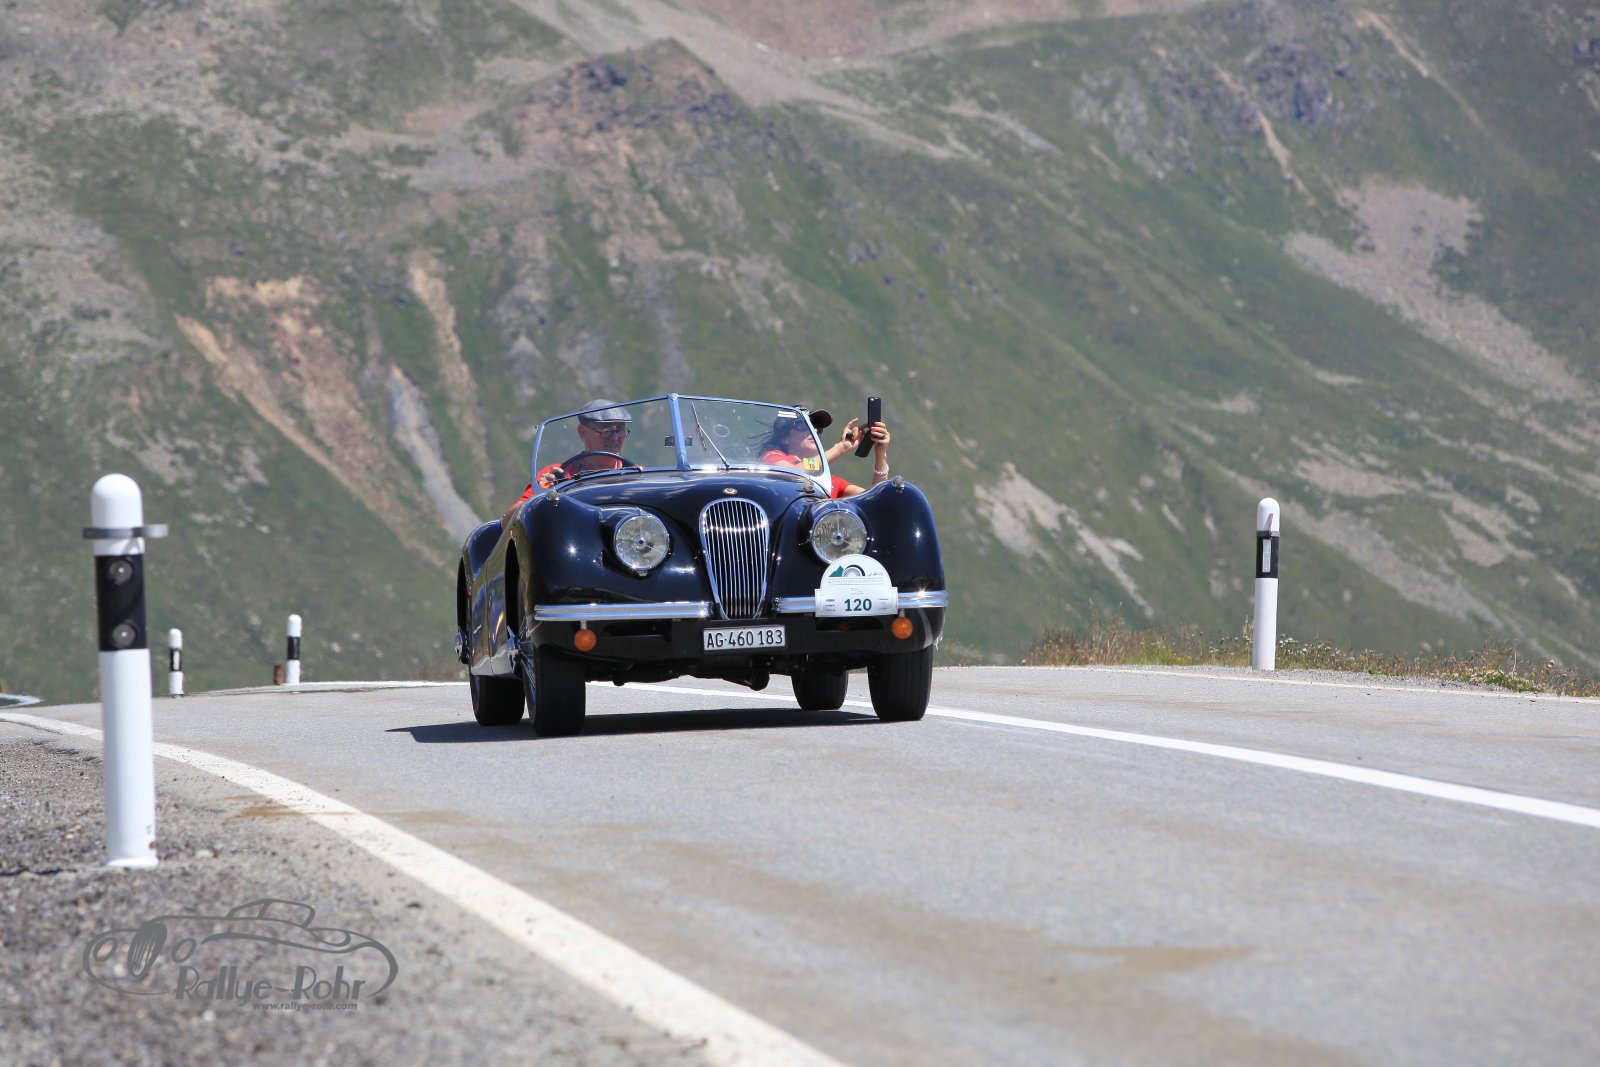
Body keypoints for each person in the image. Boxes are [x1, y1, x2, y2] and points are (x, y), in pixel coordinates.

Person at [502, 399, 634, 525]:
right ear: (583, 433)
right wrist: (539, 497)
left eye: (620, 430)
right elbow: (507, 522)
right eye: (606, 430)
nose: (615, 437)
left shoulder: (637, 475)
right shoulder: (556, 475)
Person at [758, 406, 891, 498]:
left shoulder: (829, 481)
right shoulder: (772, 456)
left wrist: (881, 455)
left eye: (817, 426)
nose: (814, 430)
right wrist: (840, 448)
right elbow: (793, 473)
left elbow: (875, 498)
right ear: (784, 437)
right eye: (803, 425)